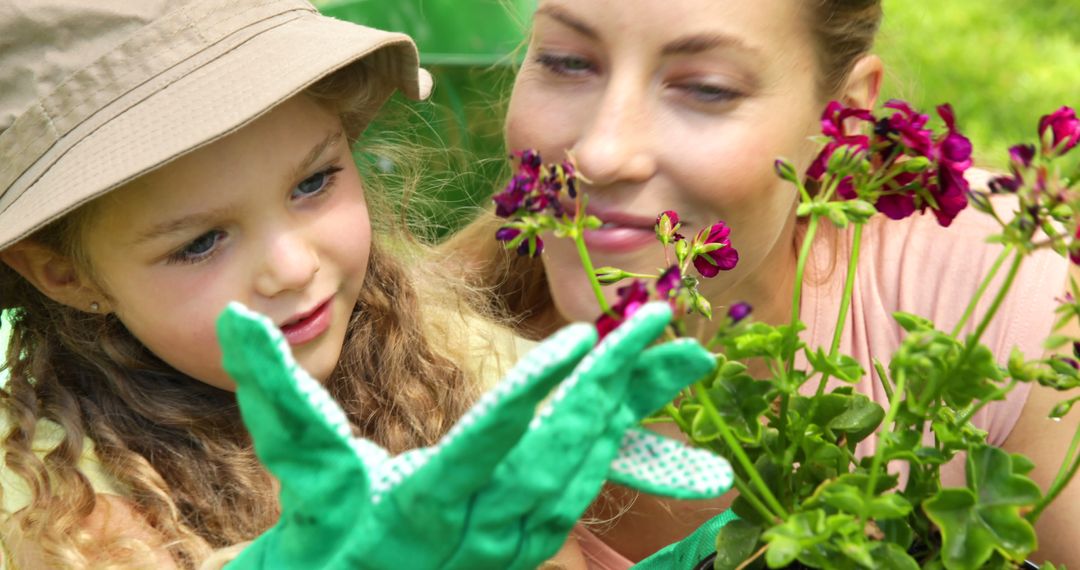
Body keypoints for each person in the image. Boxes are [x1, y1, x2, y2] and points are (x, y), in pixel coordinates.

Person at [0, 1, 733, 567]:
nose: (293, 266)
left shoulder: (455, 354)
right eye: (200, 243)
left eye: (314, 181)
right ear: (63, 273)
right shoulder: (54, 512)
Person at [446, 0, 1080, 566]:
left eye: (706, 88)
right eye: (566, 61)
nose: (603, 152)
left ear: (846, 116)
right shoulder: (405, 358)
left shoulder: (995, 284)